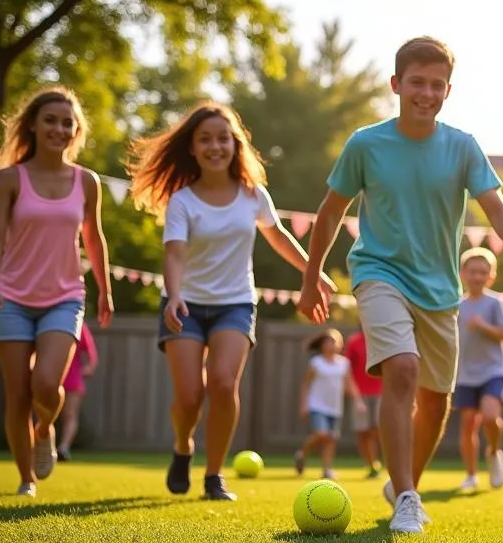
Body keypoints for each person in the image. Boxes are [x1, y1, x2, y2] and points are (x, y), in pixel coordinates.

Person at [297, 36, 503, 533]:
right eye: (416, 83)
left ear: (448, 90)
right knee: (403, 371)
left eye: (436, 85)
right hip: (378, 272)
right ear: (396, 85)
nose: (426, 93)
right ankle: (408, 497)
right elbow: (328, 216)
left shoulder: (462, 146)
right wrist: (311, 278)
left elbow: (495, 205)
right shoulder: (366, 144)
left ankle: (403, 482)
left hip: (440, 289)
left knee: (435, 399)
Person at [127, 101, 335, 501]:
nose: (215, 146)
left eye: (223, 138)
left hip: (235, 304)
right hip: (184, 305)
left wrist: (314, 273)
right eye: (205, 139)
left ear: (235, 144)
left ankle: (214, 475)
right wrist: (172, 297)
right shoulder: (182, 201)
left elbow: (279, 239)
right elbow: (173, 253)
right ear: (192, 147)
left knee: (223, 384)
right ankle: (183, 446)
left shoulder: (253, 196)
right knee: (189, 397)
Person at [0, 86, 113, 497]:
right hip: (12, 298)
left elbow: (94, 239)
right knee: (17, 394)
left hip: (65, 297)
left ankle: (46, 429)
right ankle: (26, 479)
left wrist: (105, 290)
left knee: (45, 384)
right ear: (34, 125)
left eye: (67, 122)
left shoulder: (87, 181)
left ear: (76, 130)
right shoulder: (9, 179)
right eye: (51, 120)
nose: (59, 128)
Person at [455, 247, 503, 491]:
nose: (477, 277)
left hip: (493, 370)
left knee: (490, 417)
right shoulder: (456, 305)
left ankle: (494, 452)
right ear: (462, 274)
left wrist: (482, 326)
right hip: (464, 373)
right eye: (472, 272)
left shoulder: (495, 303)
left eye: (483, 272)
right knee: (469, 422)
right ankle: (471, 475)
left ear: (491, 276)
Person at [295, 329, 365, 480]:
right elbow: (306, 385)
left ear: (340, 344)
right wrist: (304, 404)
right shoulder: (316, 362)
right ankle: (302, 453)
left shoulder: (344, 363)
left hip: (335, 407)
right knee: (322, 433)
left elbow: (349, 384)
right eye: (328, 342)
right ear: (322, 345)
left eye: (334, 341)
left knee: (331, 439)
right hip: (317, 405)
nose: (331, 345)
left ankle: (326, 470)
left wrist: (358, 401)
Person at [343, 328, 383, 478]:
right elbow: (347, 371)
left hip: (381, 393)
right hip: (360, 394)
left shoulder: (383, 338)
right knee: (362, 431)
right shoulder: (355, 342)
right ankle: (371, 464)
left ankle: (377, 462)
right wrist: (356, 396)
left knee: (377, 431)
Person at [57, 323, 99, 461]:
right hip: (53, 376)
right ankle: (42, 447)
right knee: (45, 414)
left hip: (73, 378)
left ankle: (63, 447)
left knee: (70, 414)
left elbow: (91, 353)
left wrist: (89, 367)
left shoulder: (80, 326)